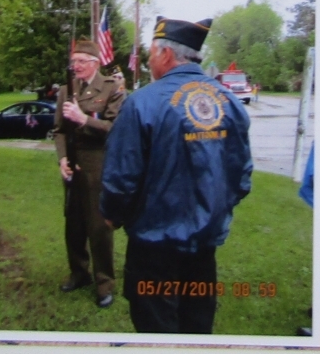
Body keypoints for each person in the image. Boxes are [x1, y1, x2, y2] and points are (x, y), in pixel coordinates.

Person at [100, 17, 252, 335]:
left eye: (152, 53)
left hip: (153, 251)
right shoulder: (230, 103)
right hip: (203, 247)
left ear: (166, 54)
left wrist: (112, 216)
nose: (150, 61)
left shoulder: (142, 104)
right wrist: (212, 211)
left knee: (157, 332)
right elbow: (241, 177)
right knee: (196, 327)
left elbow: (121, 178)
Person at [55, 38, 126, 305]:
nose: (76, 67)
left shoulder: (112, 88)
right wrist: (62, 158)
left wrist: (84, 120)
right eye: (73, 62)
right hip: (73, 166)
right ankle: (79, 273)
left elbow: (115, 128)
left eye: (81, 62)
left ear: (95, 63)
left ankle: (105, 283)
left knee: (99, 227)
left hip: (99, 167)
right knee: (73, 225)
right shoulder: (66, 90)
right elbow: (60, 131)